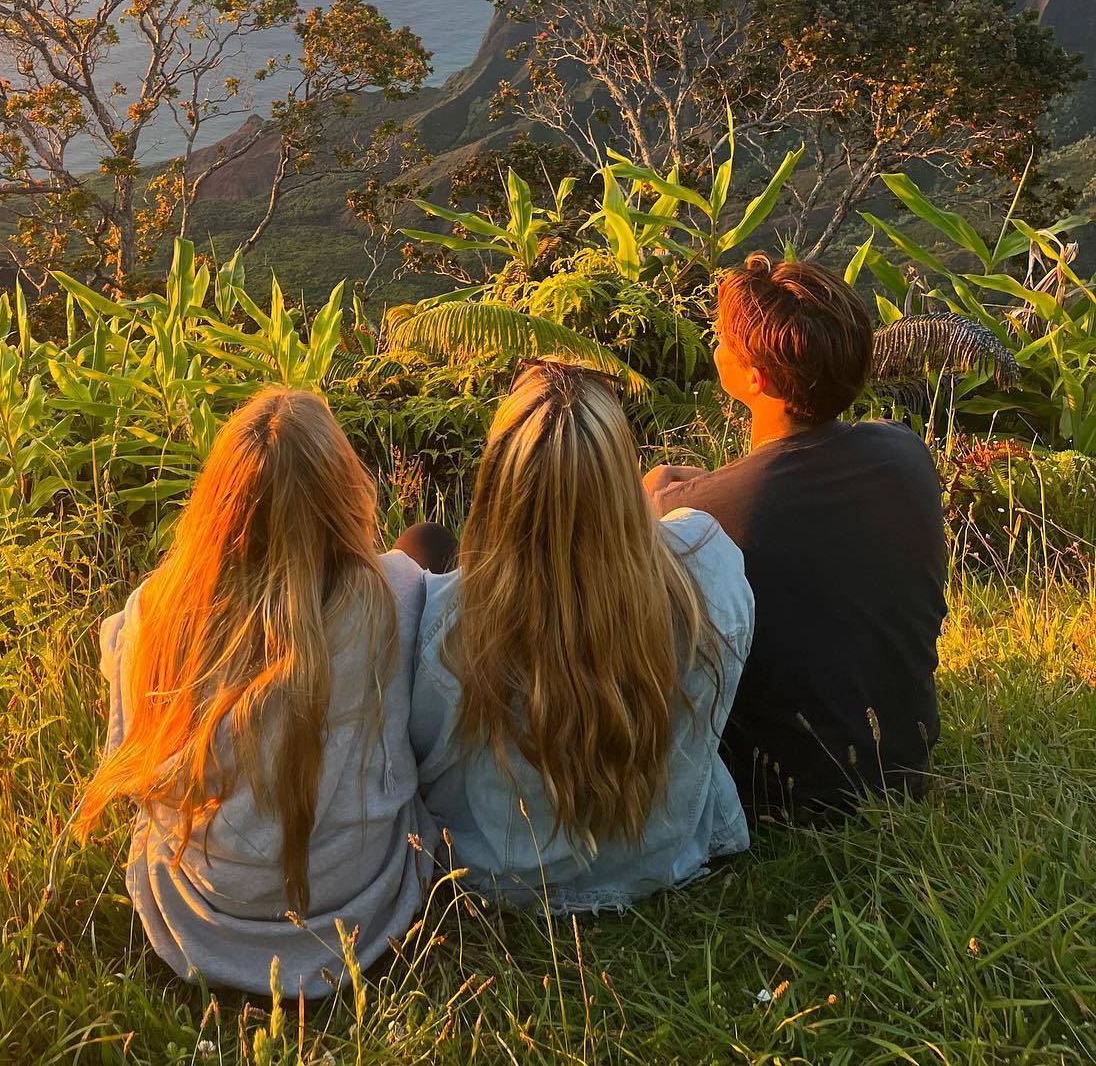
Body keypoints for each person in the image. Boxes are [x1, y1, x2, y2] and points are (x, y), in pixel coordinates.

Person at [76, 387, 435, 997]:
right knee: (426, 537)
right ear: (343, 494)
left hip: (202, 915)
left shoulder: (155, 612)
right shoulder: (395, 598)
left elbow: (129, 753)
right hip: (360, 911)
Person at [410, 360, 754, 911]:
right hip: (664, 861)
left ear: (498, 486)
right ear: (623, 481)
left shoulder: (445, 626)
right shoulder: (707, 571)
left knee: (421, 538)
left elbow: (425, 761)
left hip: (502, 880)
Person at [646, 254, 948, 819]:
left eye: (721, 340)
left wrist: (661, 488)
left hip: (779, 790)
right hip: (906, 760)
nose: (715, 348)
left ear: (754, 378)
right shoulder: (906, 452)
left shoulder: (697, 517)